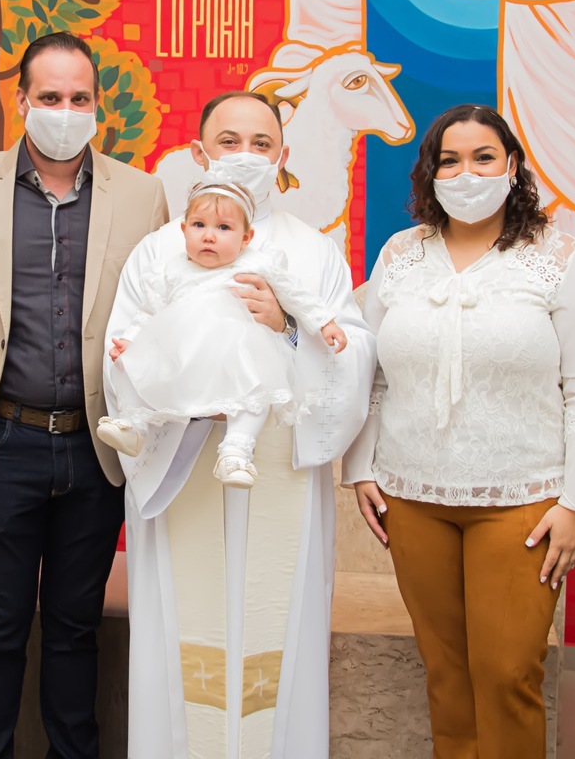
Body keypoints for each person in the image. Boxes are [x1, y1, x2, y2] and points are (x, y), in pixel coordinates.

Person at [342, 103, 575, 758]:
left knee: (507, 675)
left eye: (483, 158)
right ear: (430, 174)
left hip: (524, 500)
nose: (467, 174)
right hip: (412, 497)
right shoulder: (400, 254)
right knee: (446, 673)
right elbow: (368, 370)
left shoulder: (558, 257)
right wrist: (360, 466)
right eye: (450, 161)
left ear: (511, 166)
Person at [111, 91, 375, 758]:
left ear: (283, 157)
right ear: (199, 152)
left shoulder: (310, 252)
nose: (246, 155)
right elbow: (123, 346)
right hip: (183, 459)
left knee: (274, 631)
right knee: (184, 637)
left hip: (274, 459)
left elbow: (353, 348)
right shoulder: (160, 250)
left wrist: (286, 328)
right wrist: (178, 384)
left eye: (262, 144)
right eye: (229, 141)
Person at [0, 31, 168, 758]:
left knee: (75, 630)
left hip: (96, 445)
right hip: (0, 442)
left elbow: (166, 308)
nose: (65, 111)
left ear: (98, 104)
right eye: (50, 97)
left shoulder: (144, 193)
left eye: (79, 98)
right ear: (21, 101)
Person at [98, 176, 347, 488]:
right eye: (199, 225)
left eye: (224, 228)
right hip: (183, 356)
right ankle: (134, 425)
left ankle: (237, 450)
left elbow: (296, 294)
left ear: (246, 238)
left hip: (238, 353)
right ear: (184, 229)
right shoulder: (172, 270)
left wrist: (325, 322)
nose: (209, 236)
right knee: (137, 364)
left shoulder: (257, 264)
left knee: (256, 389)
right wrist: (130, 341)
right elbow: (148, 311)